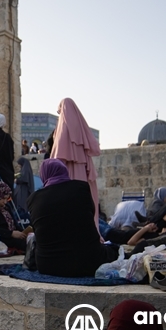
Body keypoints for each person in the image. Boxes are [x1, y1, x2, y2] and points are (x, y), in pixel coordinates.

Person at [28, 159, 116, 277]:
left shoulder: (33, 199)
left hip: (48, 265)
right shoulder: (81, 187)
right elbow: (91, 213)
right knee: (114, 250)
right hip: (89, 262)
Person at [50, 98, 101, 231]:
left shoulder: (63, 127)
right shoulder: (81, 127)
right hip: (82, 173)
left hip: (68, 173)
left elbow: (58, 157)